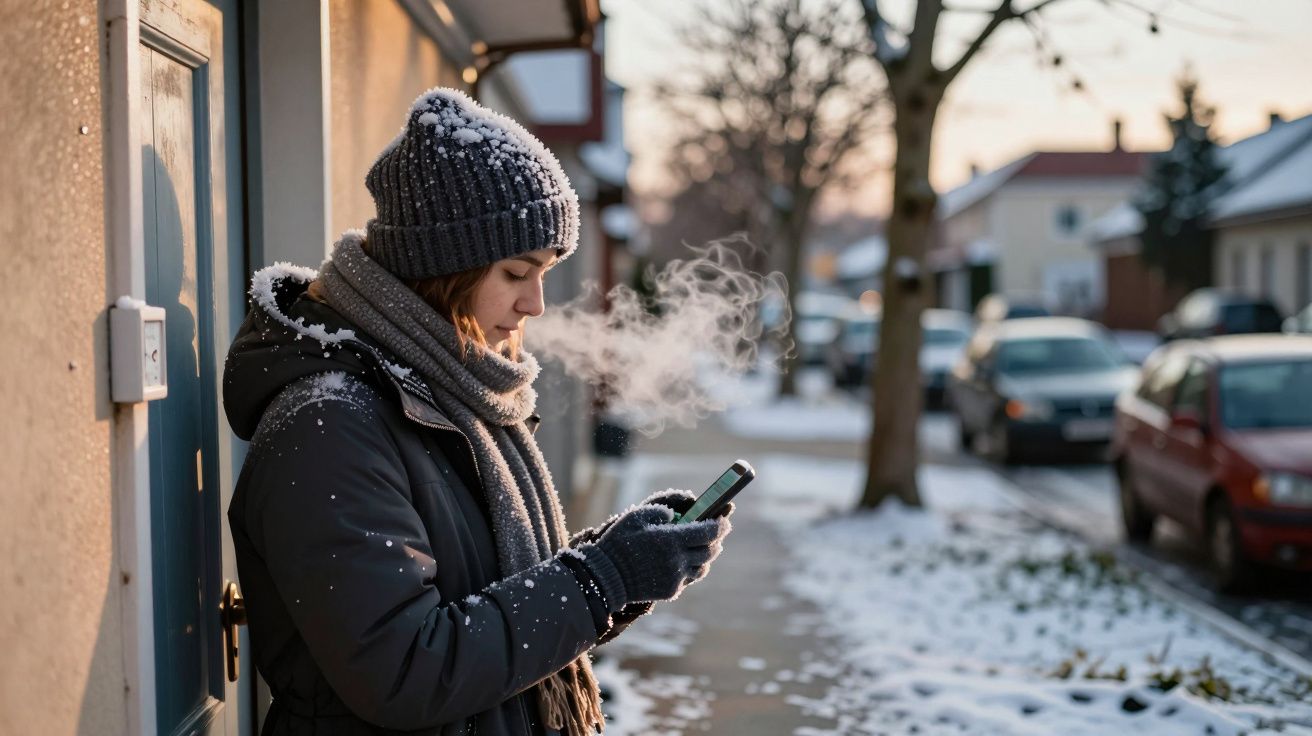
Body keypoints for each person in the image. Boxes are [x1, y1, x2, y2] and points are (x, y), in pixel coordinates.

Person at [223, 87, 734, 735]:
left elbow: (484, 598)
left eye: (545, 272)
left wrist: (619, 564)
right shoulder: (331, 426)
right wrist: (599, 578)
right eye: (517, 273)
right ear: (442, 271)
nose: (535, 306)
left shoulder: (450, 391)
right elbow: (405, 670)